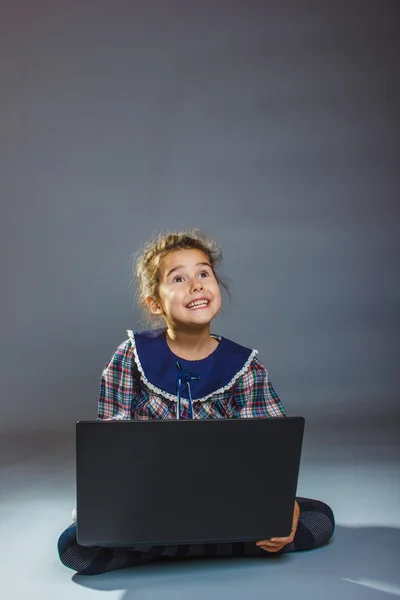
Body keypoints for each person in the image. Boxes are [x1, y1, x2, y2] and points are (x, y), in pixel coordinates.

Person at [58, 230, 335, 575]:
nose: (196, 285)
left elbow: (270, 455)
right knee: (74, 546)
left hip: (226, 501)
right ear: (155, 303)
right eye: (178, 278)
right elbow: (112, 451)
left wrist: (284, 508)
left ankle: (171, 549)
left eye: (204, 273)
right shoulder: (129, 357)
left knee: (318, 516)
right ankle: (222, 546)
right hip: (150, 502)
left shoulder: (246, 367)